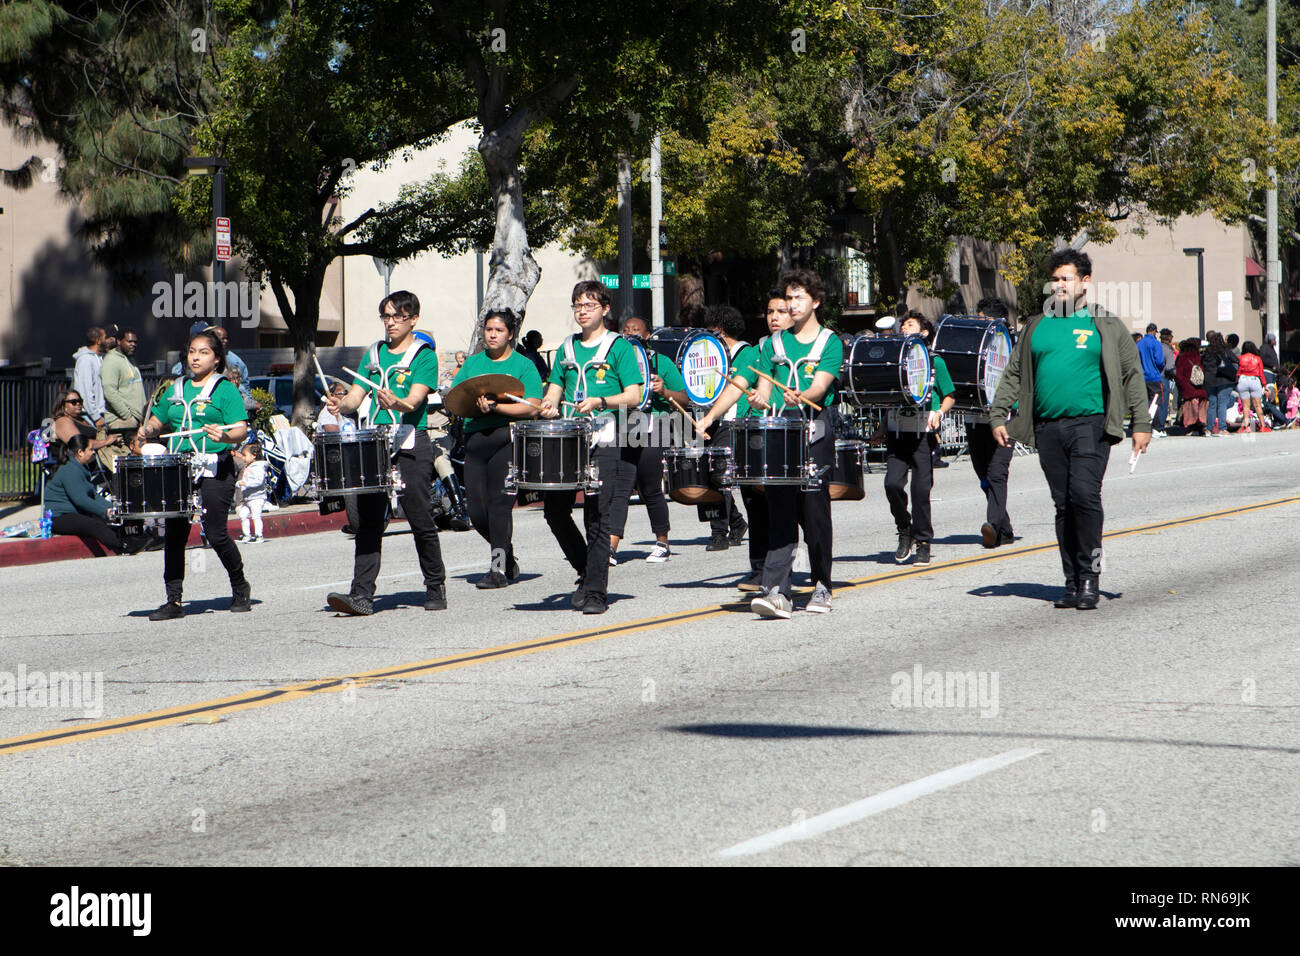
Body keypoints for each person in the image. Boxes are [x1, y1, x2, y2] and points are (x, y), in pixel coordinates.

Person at [989, 248, 1150, 611]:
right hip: (1047, 427)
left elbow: (1131, 374)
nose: (1060, 284)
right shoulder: (1036, 325)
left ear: (1085, 282)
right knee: (1063, 504)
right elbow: (1014, 372)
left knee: (1084, 496)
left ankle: (1091, 576)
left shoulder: (1104, 324)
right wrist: (999, 414)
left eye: (1067, 278)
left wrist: (1142, 424)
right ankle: (1072, 581)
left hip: (1091, 424)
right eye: (1056, 278)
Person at [699, 269, 841, 618]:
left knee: (814, 513)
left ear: (816, 302)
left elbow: (819, 388)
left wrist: (801, 394)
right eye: (788, 298)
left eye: (798, 299)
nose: (791, 306)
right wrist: (725, 411)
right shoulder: (772, 345)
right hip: (780, 431)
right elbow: (754, 388)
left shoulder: (829, 342)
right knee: (780, 513)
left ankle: (822, 583)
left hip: (814, 429)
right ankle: (777, 590)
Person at [322, 291, 448, 615]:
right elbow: (355, 398)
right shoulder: (375, 353)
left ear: (413, 319)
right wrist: (340, 405)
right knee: (368, 521)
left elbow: (415, 401)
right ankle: (361, 595)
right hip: (375, 441)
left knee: (419, 516)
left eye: (397, 316)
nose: (390, 322)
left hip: (410, 439)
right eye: (386, 317)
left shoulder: (424, 355)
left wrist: (399, 402)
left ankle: (435, 585)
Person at [538, 280, 644, 615]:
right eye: (577, 306)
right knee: (554, 510)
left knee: (598, 516)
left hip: (607, 438)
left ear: (605, 309)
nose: (582, 311)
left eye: (589, 305)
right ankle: (586, 569)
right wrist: (549, 404)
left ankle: (596, 591)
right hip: (571, 439)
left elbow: (634, 394)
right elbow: (556, 386)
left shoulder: (619, 348)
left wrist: (601, 400)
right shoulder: (567, 348)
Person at [135, 328, 252, 619]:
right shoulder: (175, 388)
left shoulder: (225, 389)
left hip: (214, 465)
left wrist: (224, 436)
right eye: (192, 352)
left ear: (216, 359)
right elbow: (158, 420)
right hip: (180, 466)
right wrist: (147, 430)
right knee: (175, 534)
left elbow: (241, 429)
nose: (196, 358)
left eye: (204, 352)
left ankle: (240, 585)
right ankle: (174, 601)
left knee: (215, 533)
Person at [450, 308, 542, 588]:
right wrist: (475, 406)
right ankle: (507, 553)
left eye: (499, 330)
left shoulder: (523, 365)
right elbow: (455, 400)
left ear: (510, 334)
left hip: (506, 439)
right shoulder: (472, 364)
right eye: (489, 329)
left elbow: (533, 406)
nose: (492, 334)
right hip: (475, 441)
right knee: (477, 512)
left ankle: (498, 569)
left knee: (500, 507)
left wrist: (498, 406)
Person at [606, 315, 686, 566]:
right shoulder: (616, 360)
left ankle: (662, 542)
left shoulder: (661, 362)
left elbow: (684, 398)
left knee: (650, 487)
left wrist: (664, 391)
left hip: (655, 425)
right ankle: (610, 546)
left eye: (636, 331)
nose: (631, 334)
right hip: (623, 425)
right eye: (626, 330)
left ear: (648, 336)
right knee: (620, 488)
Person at [879, 311, 955, 566]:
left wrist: (940, 414)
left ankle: (924, 541)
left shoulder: (936, 362)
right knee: (891, 484)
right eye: (902, 325)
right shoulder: (895, 362)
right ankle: (905, 529)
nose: (903, 328)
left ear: (924, 332)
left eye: (909, 324)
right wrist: (881, 427)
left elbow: (949, 396)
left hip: (924, 434)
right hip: (897, 433)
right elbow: (889, 399)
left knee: (921, 491)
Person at [696, 306, 751, 554]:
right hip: (711, 418)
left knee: (721, 475)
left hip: (734, 420)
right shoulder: (711, 354)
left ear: (720, 329)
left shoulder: (745, 352)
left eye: (711, 330)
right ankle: (737, 522)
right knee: (710, 476)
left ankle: (719, 532)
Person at [967, 297, 1016, 548]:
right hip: (975, 419)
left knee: (997, 473)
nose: (978, 322)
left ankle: (992, 526)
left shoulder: (1012, 346)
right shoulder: (973, 345)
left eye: (981, 317)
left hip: (1005, 420)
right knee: (983, 475)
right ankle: (1005, 529)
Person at [43, 433, 136, 554]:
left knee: (109, 522)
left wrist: (113, 509)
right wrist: (104, 512)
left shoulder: (80, 468)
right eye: (91, 449)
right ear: (80, 452)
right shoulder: (69, 470)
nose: (93, 452)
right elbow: (81, 500)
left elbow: (94, 496)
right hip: (59, 517)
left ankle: (136, 539)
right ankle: (123, 546)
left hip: (73, 513)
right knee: (95, 525)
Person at [101, 328, 146, 447]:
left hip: (135, 422)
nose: (133, 345)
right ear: (119, 341)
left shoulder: (130, 359)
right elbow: (109, 391)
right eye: (129, 341)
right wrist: (127, 416)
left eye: (135, 342)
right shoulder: (111, 360)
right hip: (121, 423)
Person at [72, 326, 112, 437]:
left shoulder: (100, 358)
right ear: (98, 341)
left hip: (101, 415)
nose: (107, 340)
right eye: (105, 337)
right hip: (90, 417)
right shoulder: (85, 360)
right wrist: (96, 417)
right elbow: (85, 391)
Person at [1202, 331, 1237, 435]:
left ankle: (1209, 429)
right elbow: (1236, 360)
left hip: (1209, 380)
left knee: (1212, 403)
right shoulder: (1225, 350)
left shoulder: (1206, 351)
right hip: (1224, 379)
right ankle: (1222, 428)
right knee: (1222, 403)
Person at [233, 442, 269, 543]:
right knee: (243, 514)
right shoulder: (249, 466)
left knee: (256, 516)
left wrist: (246, 483)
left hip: (257, 497)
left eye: (245, 455)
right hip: (248, 497)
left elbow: (258, 481)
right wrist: (240, 483)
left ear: (253, 455)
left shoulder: (258, 467)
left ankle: (259, 535)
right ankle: (246, 534)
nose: (243, 458)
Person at [1173, 338, 1208, 436]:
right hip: (1200, 387)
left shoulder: (1182, 357)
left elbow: (1179, 375)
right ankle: (1201, 426)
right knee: (1201, 407)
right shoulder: (1199, 357)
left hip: (1188, 387)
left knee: (1190, 407)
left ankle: (1191, 427)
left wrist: (1182, 385)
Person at [1235, 341, 1270, 432]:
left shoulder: (1240, 358)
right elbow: (1261, 373)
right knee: (1258, 405)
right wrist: (1264, 385)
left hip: (1243, 380)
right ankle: (1263, 426)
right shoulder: (1257, 359)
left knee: (1245, 406)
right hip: (1254, 380)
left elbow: (1238, 372)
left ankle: (1246, 427)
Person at [1137, 323, 1166, 435]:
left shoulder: (1139, 344)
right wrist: (1160, 368)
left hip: (1142, 377)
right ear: (1154, 331)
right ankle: (1156, 427)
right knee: (1155, 402)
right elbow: (1159, 361)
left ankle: (1144, 426)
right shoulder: (1156, 343)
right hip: (1154, 377)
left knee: (1144, 402)